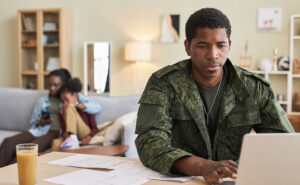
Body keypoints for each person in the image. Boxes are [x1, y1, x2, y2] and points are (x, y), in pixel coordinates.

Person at [135, 8, 294, 184]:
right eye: (203, 46)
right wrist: (203, 166)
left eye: (220, 45)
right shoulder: (163, 83)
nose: (213, 55)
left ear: (229, 45)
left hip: (236, 179)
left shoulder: (254, 87)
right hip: (184, 179)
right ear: (188, 47)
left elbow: (286, 144)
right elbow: (149, 142)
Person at [0, 69, 101, 167]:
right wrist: (41, 122)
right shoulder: (42, 100)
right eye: (50, 84)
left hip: (56, 131)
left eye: (56, 85)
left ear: (63, 85)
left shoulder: (70, 95)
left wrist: (79, 105)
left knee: (31, 147)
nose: (52, 88)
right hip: (39, 130)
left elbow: (97, 107)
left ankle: (10, 174)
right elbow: (33, 122)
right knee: (8, 142)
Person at [51, 78, 98, 150]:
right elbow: (64, 131)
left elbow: (95, 128)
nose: (65, 103)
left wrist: (90, 137)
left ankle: (73, 139)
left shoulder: (84, 107)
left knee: (70, 107)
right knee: (56, 143)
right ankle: (72, 140)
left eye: (66, 99)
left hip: (84, 133)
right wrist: (63, 115)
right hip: (70, 136)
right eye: (62, 101)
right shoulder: (63, 111)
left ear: (75, 96)